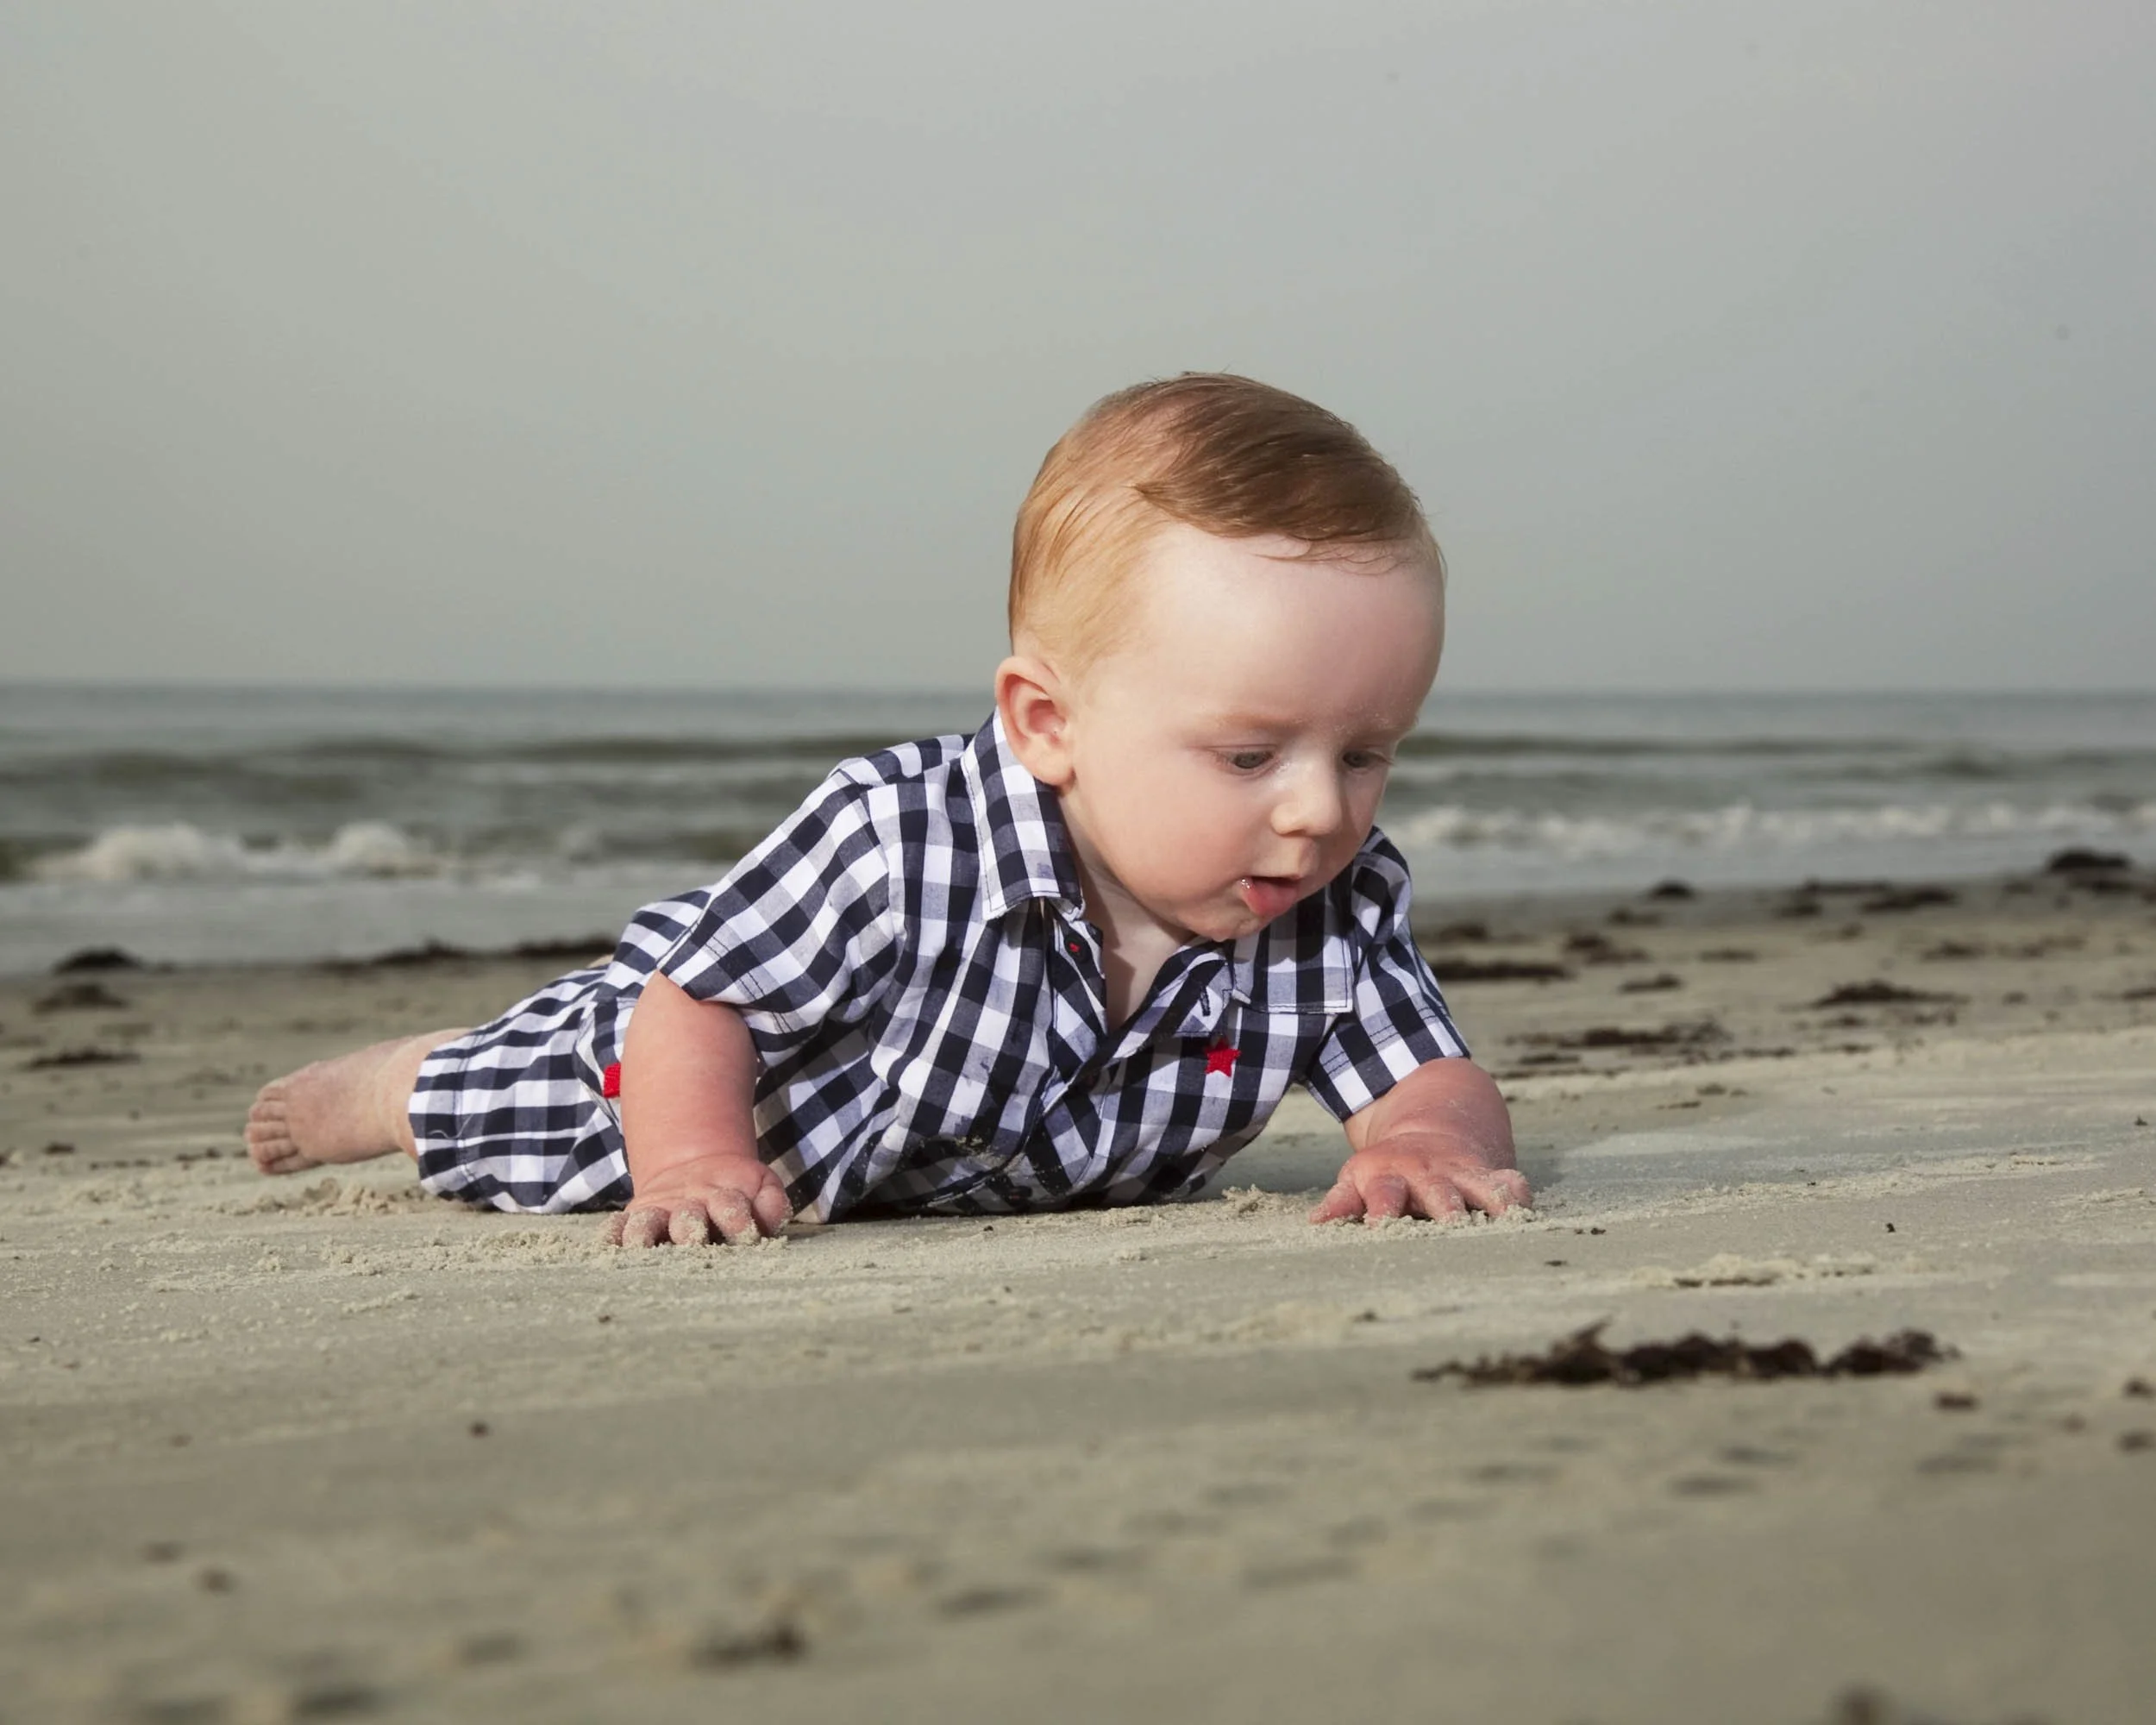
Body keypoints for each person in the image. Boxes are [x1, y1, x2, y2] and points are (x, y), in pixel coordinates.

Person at [243, 373, 1530, 1247]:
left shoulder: (1334, 905)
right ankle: (395, 1083)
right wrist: (690, 1162)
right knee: (503, 1109)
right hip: (667, 1088)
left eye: (1367, 753)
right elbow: (698, 1004)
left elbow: (1426, 1075)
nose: (1318, 812)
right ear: (1047, 724)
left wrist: (1424, 1143)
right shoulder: (900, 841)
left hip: (940, 1172)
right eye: (1250, 755)